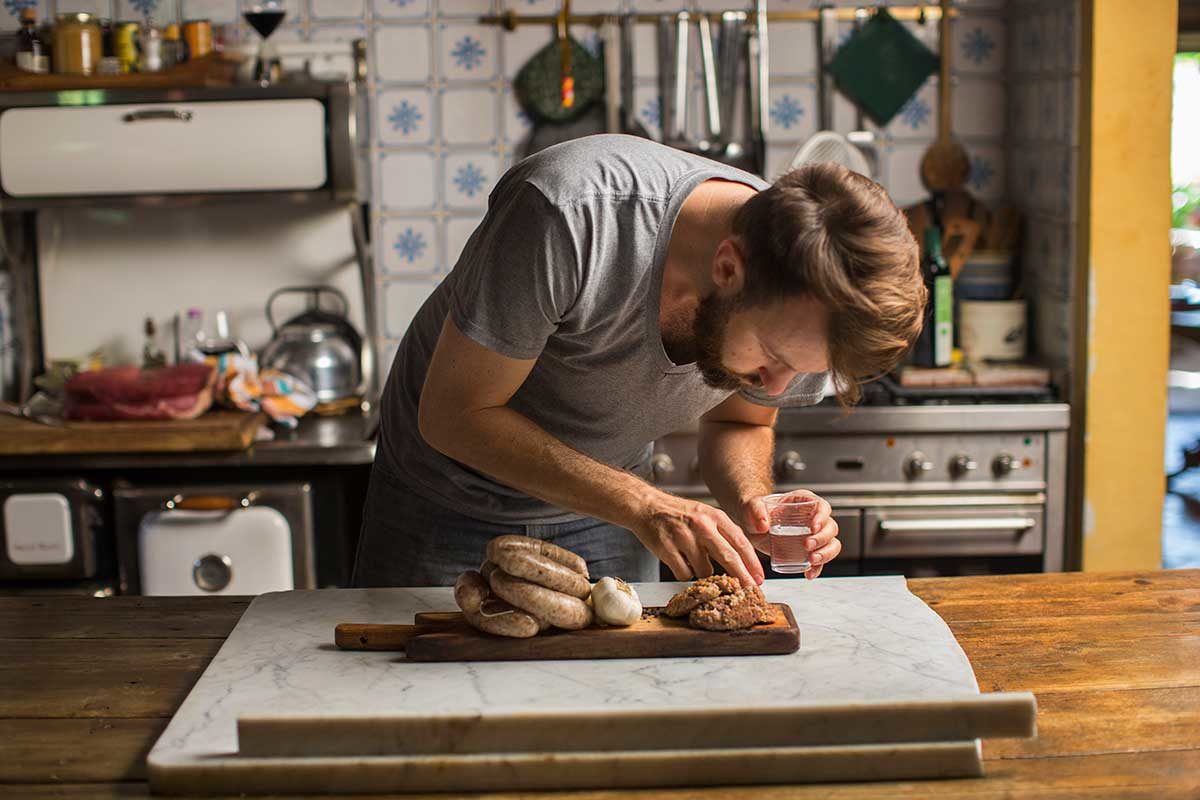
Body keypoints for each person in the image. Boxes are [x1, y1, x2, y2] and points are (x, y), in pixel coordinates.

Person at [352, 134, 924, 588]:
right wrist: (644, 503)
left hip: (608, 515)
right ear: (727, 268)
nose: (776, 386)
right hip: (441, 500)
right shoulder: (570, 214)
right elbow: (455, 416)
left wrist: (757, 504)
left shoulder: (807, 296)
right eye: (773, 358)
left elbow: (738, 422)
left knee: (615, 715)